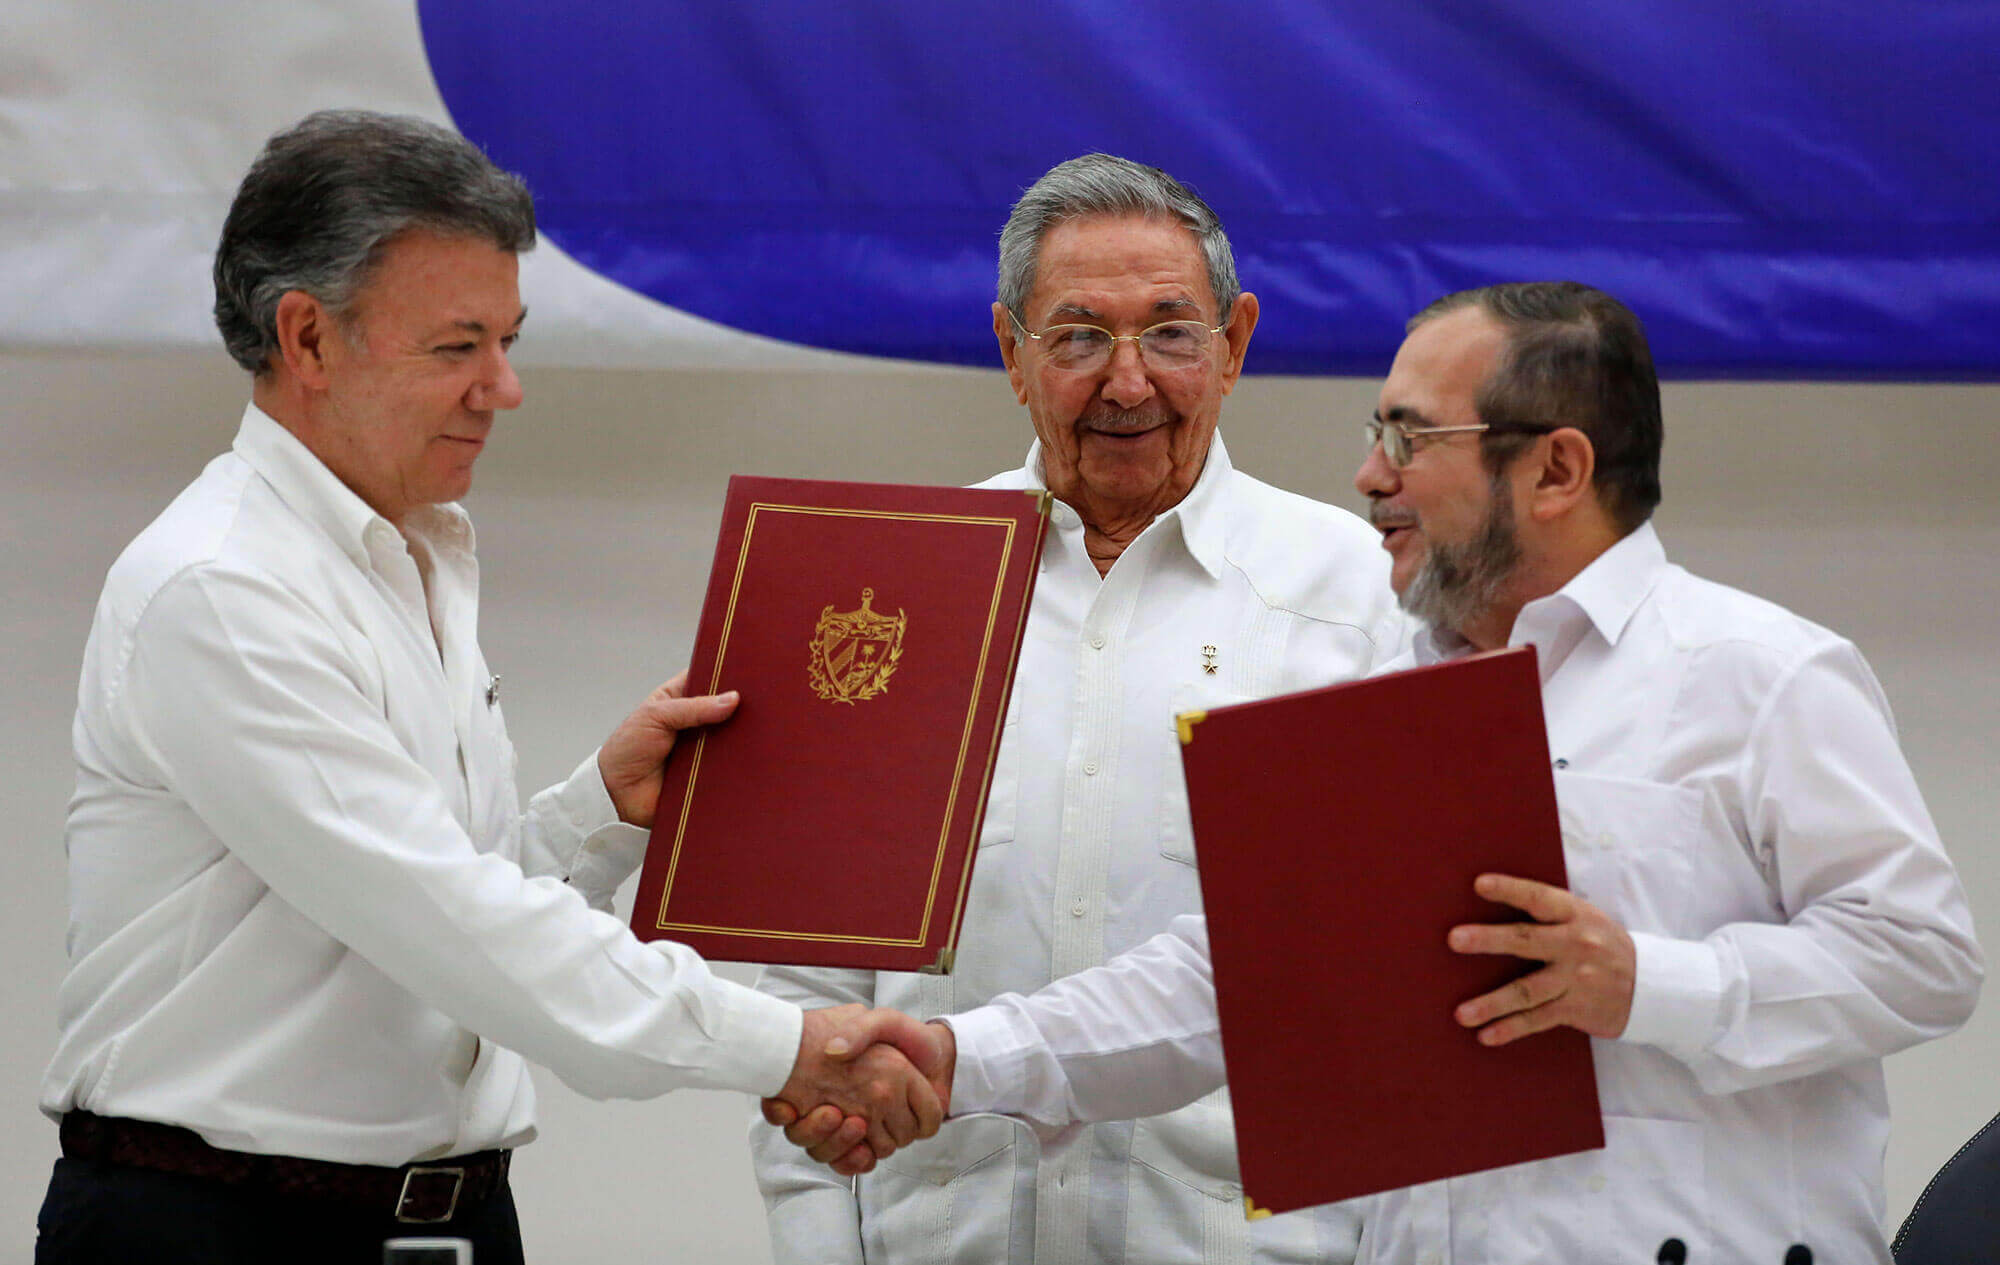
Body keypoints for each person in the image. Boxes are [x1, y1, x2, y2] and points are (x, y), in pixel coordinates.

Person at [778, 282, 1984, 1263]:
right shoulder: (1385, 699)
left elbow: (1922, 957)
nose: (1367, 474)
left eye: (1409, 435)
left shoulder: (1757, 669)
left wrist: (1644, 983)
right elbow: (1233, 980)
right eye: (1375, 433)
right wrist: (958, 1054)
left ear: (1555, 470)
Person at [35, 110, 941, 1265]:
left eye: (507, 340)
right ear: (307, 337)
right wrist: (792, 1044)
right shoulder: (223, 588)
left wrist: (597, 813)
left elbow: (419, 927)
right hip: (221, 1230)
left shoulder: (416, 547)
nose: (503, 389)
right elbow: (452, 926)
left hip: (444, 1223)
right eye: (457, 346)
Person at [749, 154, 1407, 1265]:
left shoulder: (1356, 596)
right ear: (1010, 351)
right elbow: (810, 984)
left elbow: (1375, 976)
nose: (1127, 379)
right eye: (1076, 335)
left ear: (1234, 342)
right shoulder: (890, 591)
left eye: (1169, 330)